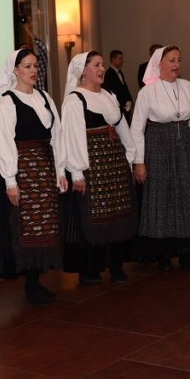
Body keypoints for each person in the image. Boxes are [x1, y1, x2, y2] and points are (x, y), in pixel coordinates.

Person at [0, 48, 67, 304]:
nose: (33, 71)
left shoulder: (45, 97)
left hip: (44, 170)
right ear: (15, 70)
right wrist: (10, 180)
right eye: (28, 66)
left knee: (44, 224)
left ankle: (38, 278)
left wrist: (60, 170)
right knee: (25, 227)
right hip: (24, 172)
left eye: (35, 66)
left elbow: (57, 135)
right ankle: (31, 283)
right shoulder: (7, 102)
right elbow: (4, 142)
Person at [61, 51, 137, 284]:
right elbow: (71, 137)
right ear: (83, 71)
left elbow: (122, 126)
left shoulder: (109, 95)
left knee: (116, 214)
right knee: (92, 216)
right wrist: (76, 172)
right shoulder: (75, 99)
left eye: (103, 64)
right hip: (91, 165)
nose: (102, 68)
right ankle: (91, 268)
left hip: (114, 163)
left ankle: (116, 264)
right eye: (96, 65)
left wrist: (131, 156)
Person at [131, 45, 190, 271]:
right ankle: (162, 254)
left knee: (187, 197)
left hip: (184, 145)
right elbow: (136, 128)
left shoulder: (187, 86)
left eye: (179, 60)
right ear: (159, 64)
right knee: (161, 198)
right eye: (171, 60)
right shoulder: (147, 92)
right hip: (158, 146)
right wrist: (139, 161)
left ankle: (187, 253)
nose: (176, 64)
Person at [103, 49, 133, 122]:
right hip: (118, 107)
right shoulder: (109, 74)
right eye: (120, 58)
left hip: (125, 107)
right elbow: (112, 92)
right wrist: (123, 104)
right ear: (113, 59)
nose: (122, 61)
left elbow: (124, 88)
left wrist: (130, 100)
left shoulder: (120, 73)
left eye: (122, 58)